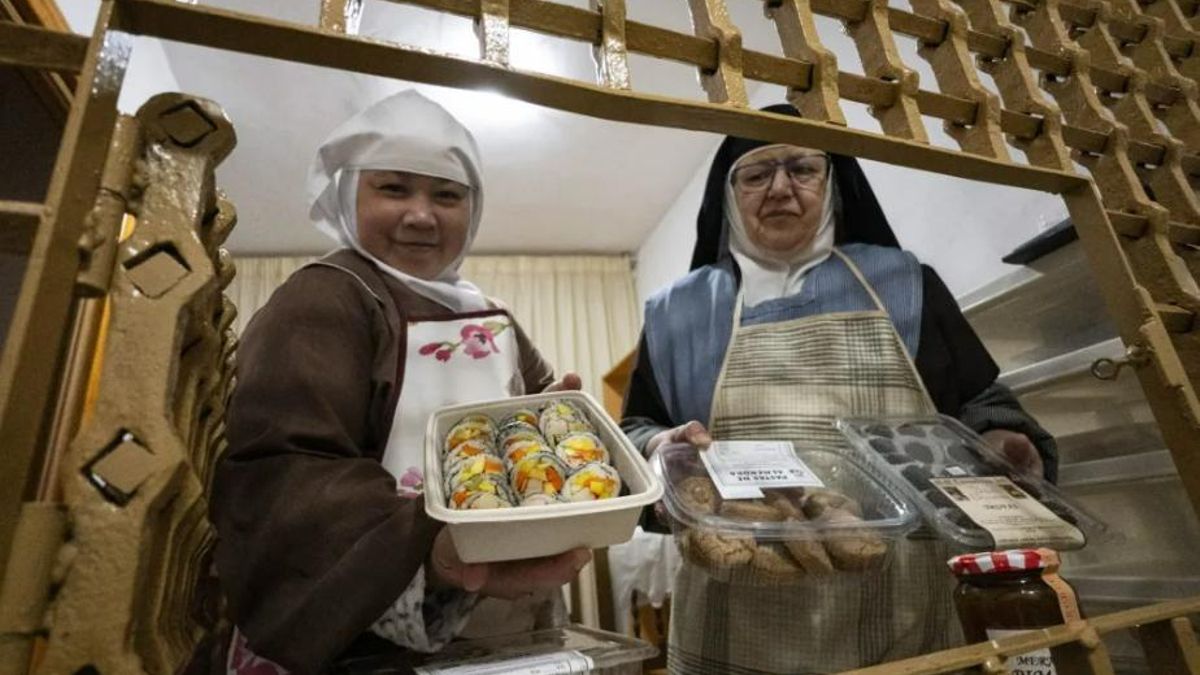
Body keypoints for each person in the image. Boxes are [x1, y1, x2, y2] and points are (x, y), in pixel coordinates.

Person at [620, 104, 1056, 674]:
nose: (780, 188)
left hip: (905, 594)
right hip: (738, 599)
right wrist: (664, 450)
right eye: (756, 174)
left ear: (834, 185)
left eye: (802, 169)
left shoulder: (905, 281)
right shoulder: (675, 310)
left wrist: (1004, 440)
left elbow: (980, 401)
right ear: (728, 195)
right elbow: (635, 431)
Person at [202, 90, 589, 675]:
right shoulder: (323, 297)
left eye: (447, 195)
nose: (421, 214)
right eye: (393, 188)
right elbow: (284, 470)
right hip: (367, 637)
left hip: (510, 629)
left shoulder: (493, 317)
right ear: (346, 194)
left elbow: (546, 437)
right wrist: (432, 549)